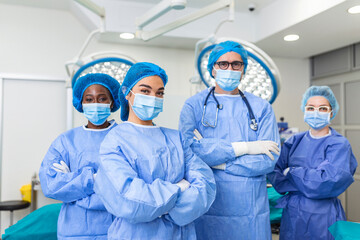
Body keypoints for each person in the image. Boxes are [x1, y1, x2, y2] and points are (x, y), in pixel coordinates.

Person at [93, 62, 216, 240]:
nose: (153, 97)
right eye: (145, 91)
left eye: (159, 93)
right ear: (128, 93)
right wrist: (180, 188)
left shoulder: (177, 139)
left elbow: (206, 186)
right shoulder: (114, 141)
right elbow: (130, 200)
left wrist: (159, 205)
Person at [179, 40, 280, 240]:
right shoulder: (194, 106)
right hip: (207, 202)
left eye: (236, 64)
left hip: (249, 209)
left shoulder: (261, 108)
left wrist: (219, 162)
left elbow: (267, 159)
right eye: (223, 64)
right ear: (213, 69)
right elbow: (189, 150)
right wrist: (246, 147)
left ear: (243, 70)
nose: (230, 68)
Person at [268, 86, 358, 240]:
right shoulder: (294, 141)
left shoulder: (338, 144)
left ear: (331, 112)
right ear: (304, 110)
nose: (316, 112)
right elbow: (275, 173)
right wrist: (309, 178)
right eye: (311, 108)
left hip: (322, 215)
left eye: (322, 108)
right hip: (293, 213)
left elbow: (326, 182)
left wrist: (291, 172)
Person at [39, 73, 120, 240]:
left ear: (112, 102)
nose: (95, 104)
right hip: (75, 231)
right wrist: (96, 178)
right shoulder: (66, 142)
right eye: (89, 99)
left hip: (118, 229)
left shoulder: (125, 138)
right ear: (81, 103)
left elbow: (131, 187)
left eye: (102, 98)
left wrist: (73, 183)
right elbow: (51, 185)